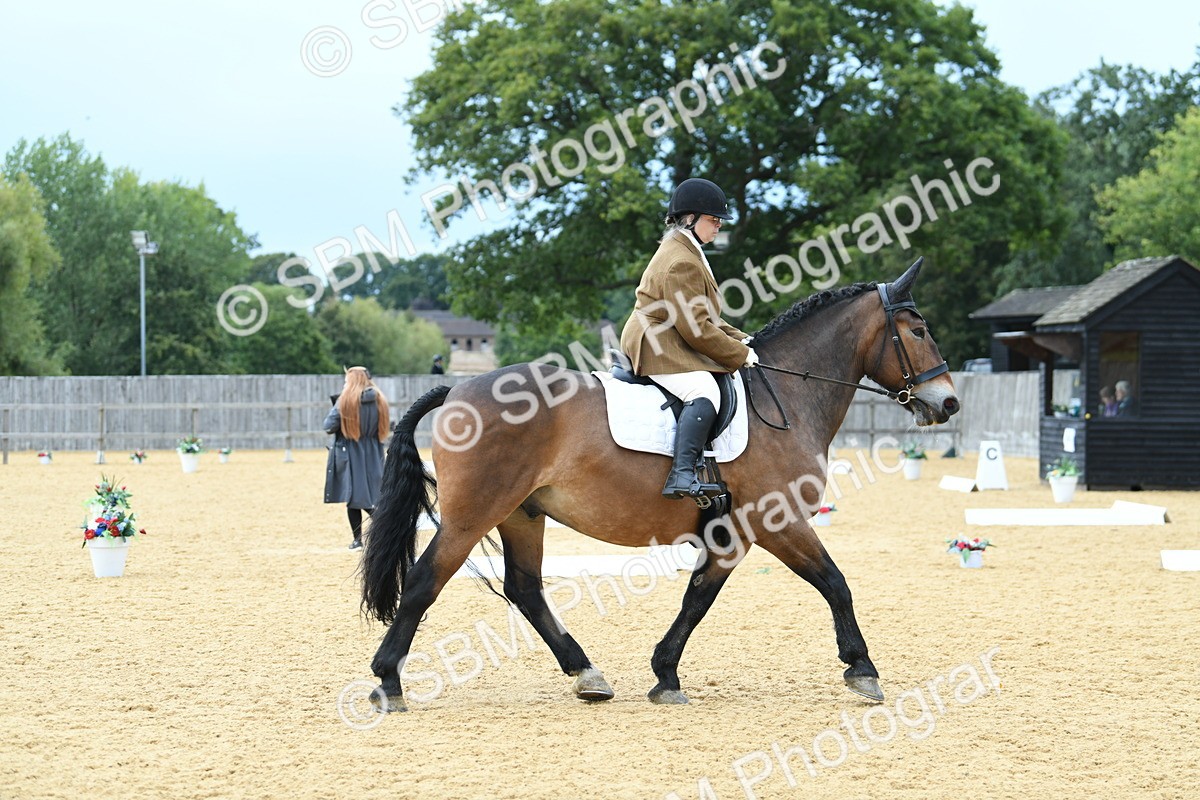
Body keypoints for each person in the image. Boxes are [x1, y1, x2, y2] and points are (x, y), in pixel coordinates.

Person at [620, 177, 757, 499]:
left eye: (719, 220)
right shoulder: (682, 260)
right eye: (713, 220)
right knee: (704, 390)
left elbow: (706, 317)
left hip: (668, 333)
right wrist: (738, 356)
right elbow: (696, 329)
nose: (718, 226)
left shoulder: (686, 249)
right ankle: (681, 475)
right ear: (689, 219)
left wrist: (743, 339)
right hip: (656, 340)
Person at [324, 366, 390, 550]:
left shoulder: (346, 401)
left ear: (352, 381)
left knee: (354, 497)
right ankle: (381, 535)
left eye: (347, 380)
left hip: (353, 450)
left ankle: (359, 540)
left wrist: (337, 404)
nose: (345, 384)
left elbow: (328, 425)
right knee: (371, 495)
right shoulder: (380, 400)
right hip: (373, 450)